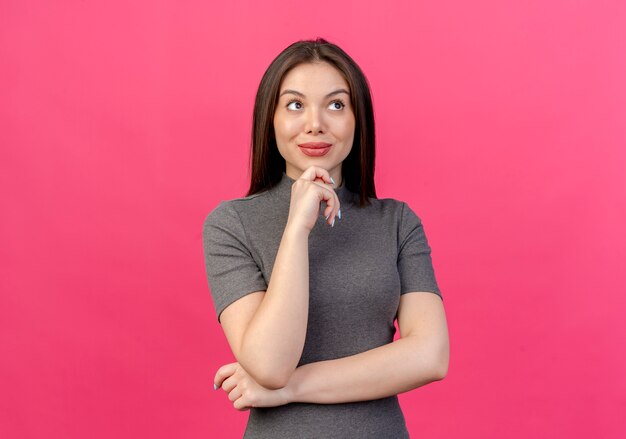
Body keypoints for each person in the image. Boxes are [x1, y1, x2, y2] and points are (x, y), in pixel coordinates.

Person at [202, 37, 449, 438]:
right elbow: (269, 364)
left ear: (358, 119)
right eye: (295, 105)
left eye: (336, 104)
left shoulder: (397, 222)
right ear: (271, 119)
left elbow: (430, 356)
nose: (315, 122)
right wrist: (298, 228)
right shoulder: (231, 224)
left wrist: (291, 389)